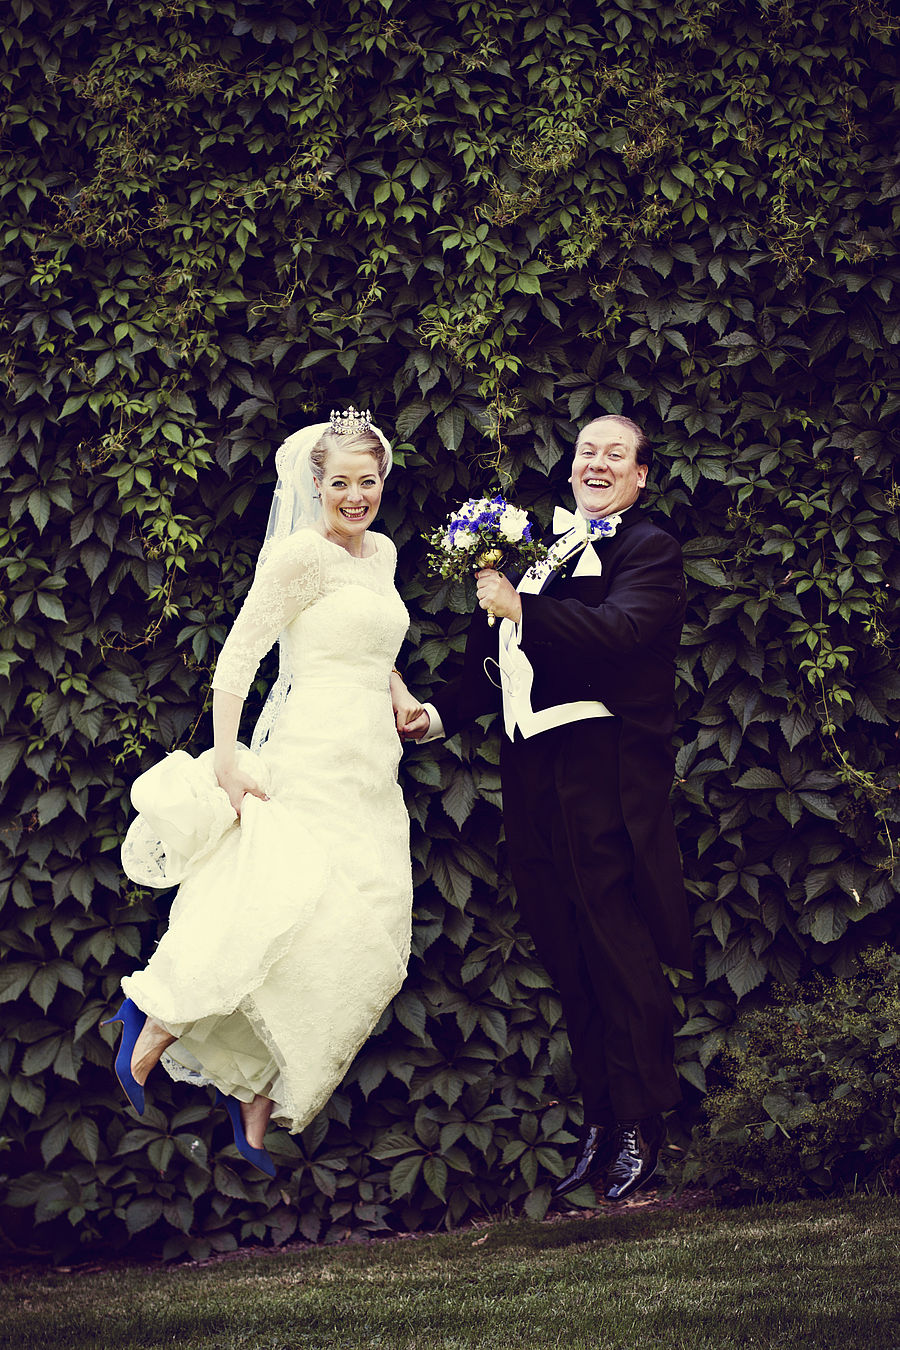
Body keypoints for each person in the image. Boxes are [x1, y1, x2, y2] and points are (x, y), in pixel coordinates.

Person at [102, 410, 428, 1176]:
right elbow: (240, 657)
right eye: (340, 483)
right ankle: (152, 1016)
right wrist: (226, 761)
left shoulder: (381, 552)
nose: (355, 496)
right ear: (316, 483)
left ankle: (251, 1095)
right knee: (277, 904)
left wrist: (403, 696)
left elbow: (372, 645)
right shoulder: (297, 555)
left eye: (368, 481)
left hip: (370, 769)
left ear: (383, 481)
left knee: (362, 932)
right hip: (311, 755)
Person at [416, 414, 691, 1202]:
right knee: (565, 948)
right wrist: (429, 718)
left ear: (641, 475)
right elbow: (491, 669)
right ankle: (601, 1120)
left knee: (614, 942)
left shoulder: (650, 549)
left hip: (597, 766)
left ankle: (643, 1121)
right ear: (570, 467)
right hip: (529, 767)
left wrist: (520, 609)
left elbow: (623, 631)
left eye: (615, 455)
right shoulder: (541, 553)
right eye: (586, 452)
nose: (597, 464)